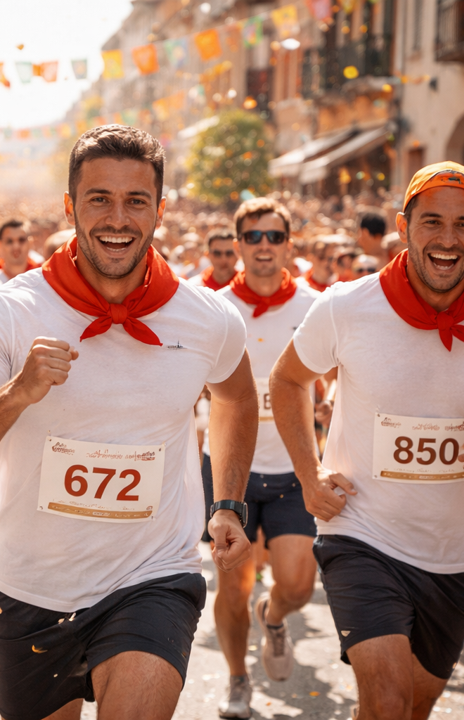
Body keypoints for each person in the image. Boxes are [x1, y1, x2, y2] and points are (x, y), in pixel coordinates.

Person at [0, 125, 257, 720]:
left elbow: (235, 396)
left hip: (154, 576)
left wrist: (227, 502)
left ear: (160, 208)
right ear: (70, 206)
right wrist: (17, 393)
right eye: (99, 199)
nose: (118, 219)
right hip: (29, 587)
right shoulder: (11, 310)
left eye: (136, 201)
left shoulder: (207, 317)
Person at [269, 161, 464, 720]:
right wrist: (309, 473)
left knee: (412, 707)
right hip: (360, 533)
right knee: (386, 702)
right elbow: (288, 378)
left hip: (456, 553)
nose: (446, 239)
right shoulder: (347, 305)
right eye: (431, 221)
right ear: (403, 225)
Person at [201, 198, 321, 718]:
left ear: (289, 244)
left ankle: (273, 618)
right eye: (254, 238)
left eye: (274, 237)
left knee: (297, 584)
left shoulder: (317, 306)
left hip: (296, 470)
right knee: (233, 585)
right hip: (232, 471)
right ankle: (236, 679)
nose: (264, 247)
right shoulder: (213, 307)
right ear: (238, 246)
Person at [0, 218, 40, 283]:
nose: (16, 246)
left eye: (21, 240)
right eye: (9, 241)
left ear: (30, 243)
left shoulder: (42, 278)